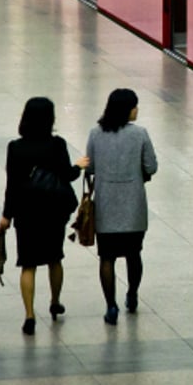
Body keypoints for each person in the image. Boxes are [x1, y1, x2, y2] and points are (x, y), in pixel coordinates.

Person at [0, 97, 81, 335]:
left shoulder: (15, 147)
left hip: (26, 212)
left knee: (28, 264)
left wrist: (7, 215)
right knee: (55, 259)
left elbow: (11, 185)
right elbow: (67, 175)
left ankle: (30, 315)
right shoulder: (57, 145)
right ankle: (55, 302)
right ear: (50, 119)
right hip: (53, 211)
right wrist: (79, 166)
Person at [78, 88, 158, 324]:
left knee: (107, 257)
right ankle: (132, 294)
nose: (137, 110)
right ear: (127, 109)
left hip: (105, 206)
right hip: (133, 207)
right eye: (135, 106)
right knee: (134, 254)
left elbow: (90, 169)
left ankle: (111, 306)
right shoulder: (140, 134)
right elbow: (151, 167)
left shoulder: (95, 134)